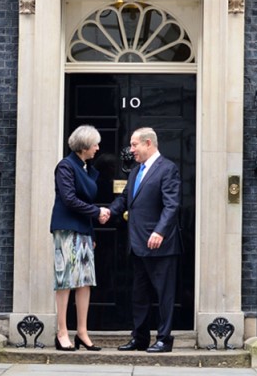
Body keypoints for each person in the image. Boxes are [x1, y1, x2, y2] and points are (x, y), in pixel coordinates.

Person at [110, 127, 182, 353]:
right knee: (139, 295)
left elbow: (172, 205)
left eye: (134, 145)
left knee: (164, 294)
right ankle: (140, 338)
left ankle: (164, 339)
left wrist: (160, 231)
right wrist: (107, 212)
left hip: (161, 244)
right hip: (138, 244)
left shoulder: (168, 169)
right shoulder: (135, 172)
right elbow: (124, 199)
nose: (131, 150)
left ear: (148, 143)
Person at [50, 125, 111, 351]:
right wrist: (97, 212)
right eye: (95, 144)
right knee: (65, 280)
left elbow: (82, 203)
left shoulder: (85, 168)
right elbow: (69, 199)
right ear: (84, 146)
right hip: (66, 229)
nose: (97, 148)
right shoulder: (66, 167)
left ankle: (82, 332)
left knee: (85, 282)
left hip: (83, 231)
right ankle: (62, 332)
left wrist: (92, 233)